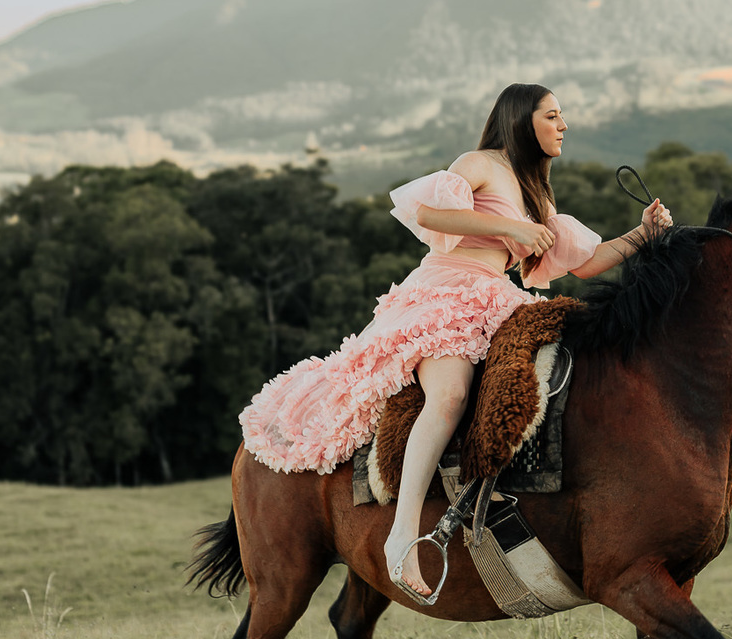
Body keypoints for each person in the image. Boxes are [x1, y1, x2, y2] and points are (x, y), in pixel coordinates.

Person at [240, 83, 671, 601]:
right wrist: (510, 224)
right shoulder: (482, 162)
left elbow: (586, 262)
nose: (563, 125)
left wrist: (643, 234)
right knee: (450, 395)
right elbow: (430, 215)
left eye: (562, 117)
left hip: (496, 298)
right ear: (521, 119)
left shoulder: (539, 193)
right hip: (445, 291)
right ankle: (403, 536)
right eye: (553, 115)